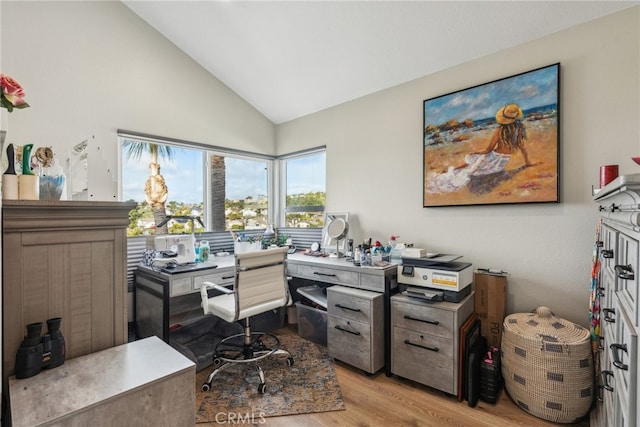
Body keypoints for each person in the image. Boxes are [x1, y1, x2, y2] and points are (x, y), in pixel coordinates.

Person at [426, 103, 531, 193]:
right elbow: (523, 149)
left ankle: (451, 171)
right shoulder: (520, 130)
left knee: (471, 159)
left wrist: (474, 152)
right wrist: (527, 163)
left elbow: (488, 149)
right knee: (472, 162)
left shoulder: (500, 130)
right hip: (500, 165)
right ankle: (452, 171)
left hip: (492, 158)